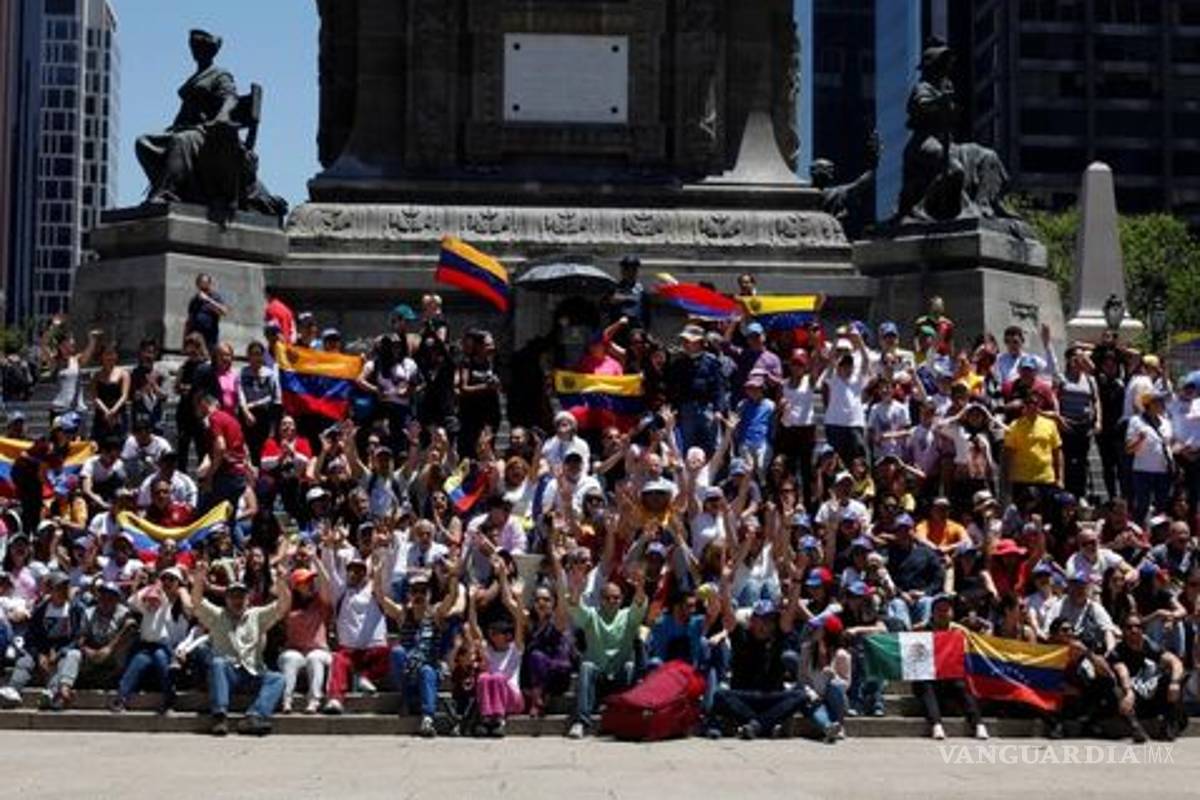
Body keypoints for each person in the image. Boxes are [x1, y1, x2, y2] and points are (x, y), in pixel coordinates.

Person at [191, 560, 290, 736]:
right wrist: (199, 578)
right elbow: (197, 602)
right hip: (228, 673)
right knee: (218, 662)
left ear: (248, 599)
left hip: (253, 672)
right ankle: (220, 716)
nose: (237, 600)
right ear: (226, 599)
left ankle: (254, 716)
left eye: (241, 596)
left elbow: (282, 606)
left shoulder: (257, 615)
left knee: (278, 678)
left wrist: (282, 583)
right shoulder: (217, 615)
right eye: (233, 596)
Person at [565, 564, 648, 739]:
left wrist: (640, 586)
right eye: (608, 598)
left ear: (622, 599)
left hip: (620, 677)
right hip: (598, 678)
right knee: (586, 666)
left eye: (616, 598)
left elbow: (639, 603)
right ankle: (581, 722)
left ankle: (626, 718)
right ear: (600, 599)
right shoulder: (591, 615)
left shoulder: (628, 616)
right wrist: (577, 588)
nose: (612, 601)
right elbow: (574, 607)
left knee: (629, 666)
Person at [0, 572, 84, 710]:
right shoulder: (41, 609)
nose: (63, 591)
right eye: (59, 588)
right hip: (44, 649)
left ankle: (53, 692)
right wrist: (40, 653)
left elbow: (79, 636)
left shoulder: (76, 608)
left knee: (68, 658)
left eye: (65, 587)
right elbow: (32, 637)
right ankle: (13, 688)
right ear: (51, 590)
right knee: (25, 660)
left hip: (64, 649)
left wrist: (59, 652)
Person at [913, 594, 988, 740]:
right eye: (939, 610)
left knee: (961, 685)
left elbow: (973, 648)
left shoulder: (960, 631)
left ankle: (978, 724)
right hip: (929, 677)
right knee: (925, 683)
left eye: (946, 610)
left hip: (951, 678)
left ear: (952, 613)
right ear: (932, 613)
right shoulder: (921, 630)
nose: (943, 613)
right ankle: (936, 725)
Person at [1108, 613, 1187, 742]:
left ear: (1142, 629)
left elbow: (1176, 662)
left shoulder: (1150, 646)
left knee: (1173, 678)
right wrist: (1129, 692)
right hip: (1133, 700)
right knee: (1117, 690)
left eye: (1137, 626)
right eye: (1129, 627)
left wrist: (1174, 683)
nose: (1134, 630)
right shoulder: (1117, 651)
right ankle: (1136, 729)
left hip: (1151, 696)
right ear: (1123, 630)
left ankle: (1169, 726)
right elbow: (1122, 673)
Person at [276, 567, 333, 715]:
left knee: (314, 657)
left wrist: (316, 560)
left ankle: (314, 701)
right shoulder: (289, 605)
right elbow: (281, 595)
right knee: (290, 658)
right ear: (296, 586)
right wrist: (281, 579)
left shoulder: (320, 602)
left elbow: (327, 583)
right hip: (295, 649)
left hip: (319, 650)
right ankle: (286, 700)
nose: (310, 583)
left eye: (311, 580)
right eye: (305, 581)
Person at [184, 274, 229, 352]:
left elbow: (224, 311)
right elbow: (189, 320)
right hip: (196, 338)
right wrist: (184, 341)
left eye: (206, 285)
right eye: (201, 286)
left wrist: (208, 299)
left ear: (209, 284)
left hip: (210, 338)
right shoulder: (194, 300)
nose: (203, 289)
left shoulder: (215, 297)